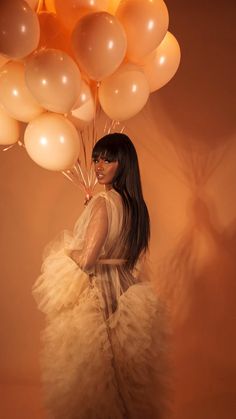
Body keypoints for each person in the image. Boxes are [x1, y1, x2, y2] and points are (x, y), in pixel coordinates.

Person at [33, 133, 169, 419]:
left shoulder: (104, 203)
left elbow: (87, 260)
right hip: (126, 291)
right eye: (96, 158)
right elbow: (127, 254)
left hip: (99, 292)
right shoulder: (137, 207)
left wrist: (66, 253)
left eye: (108, 159)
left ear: (124, 164)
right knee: (124, 373)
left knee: (97, 373)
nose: (98, 165)